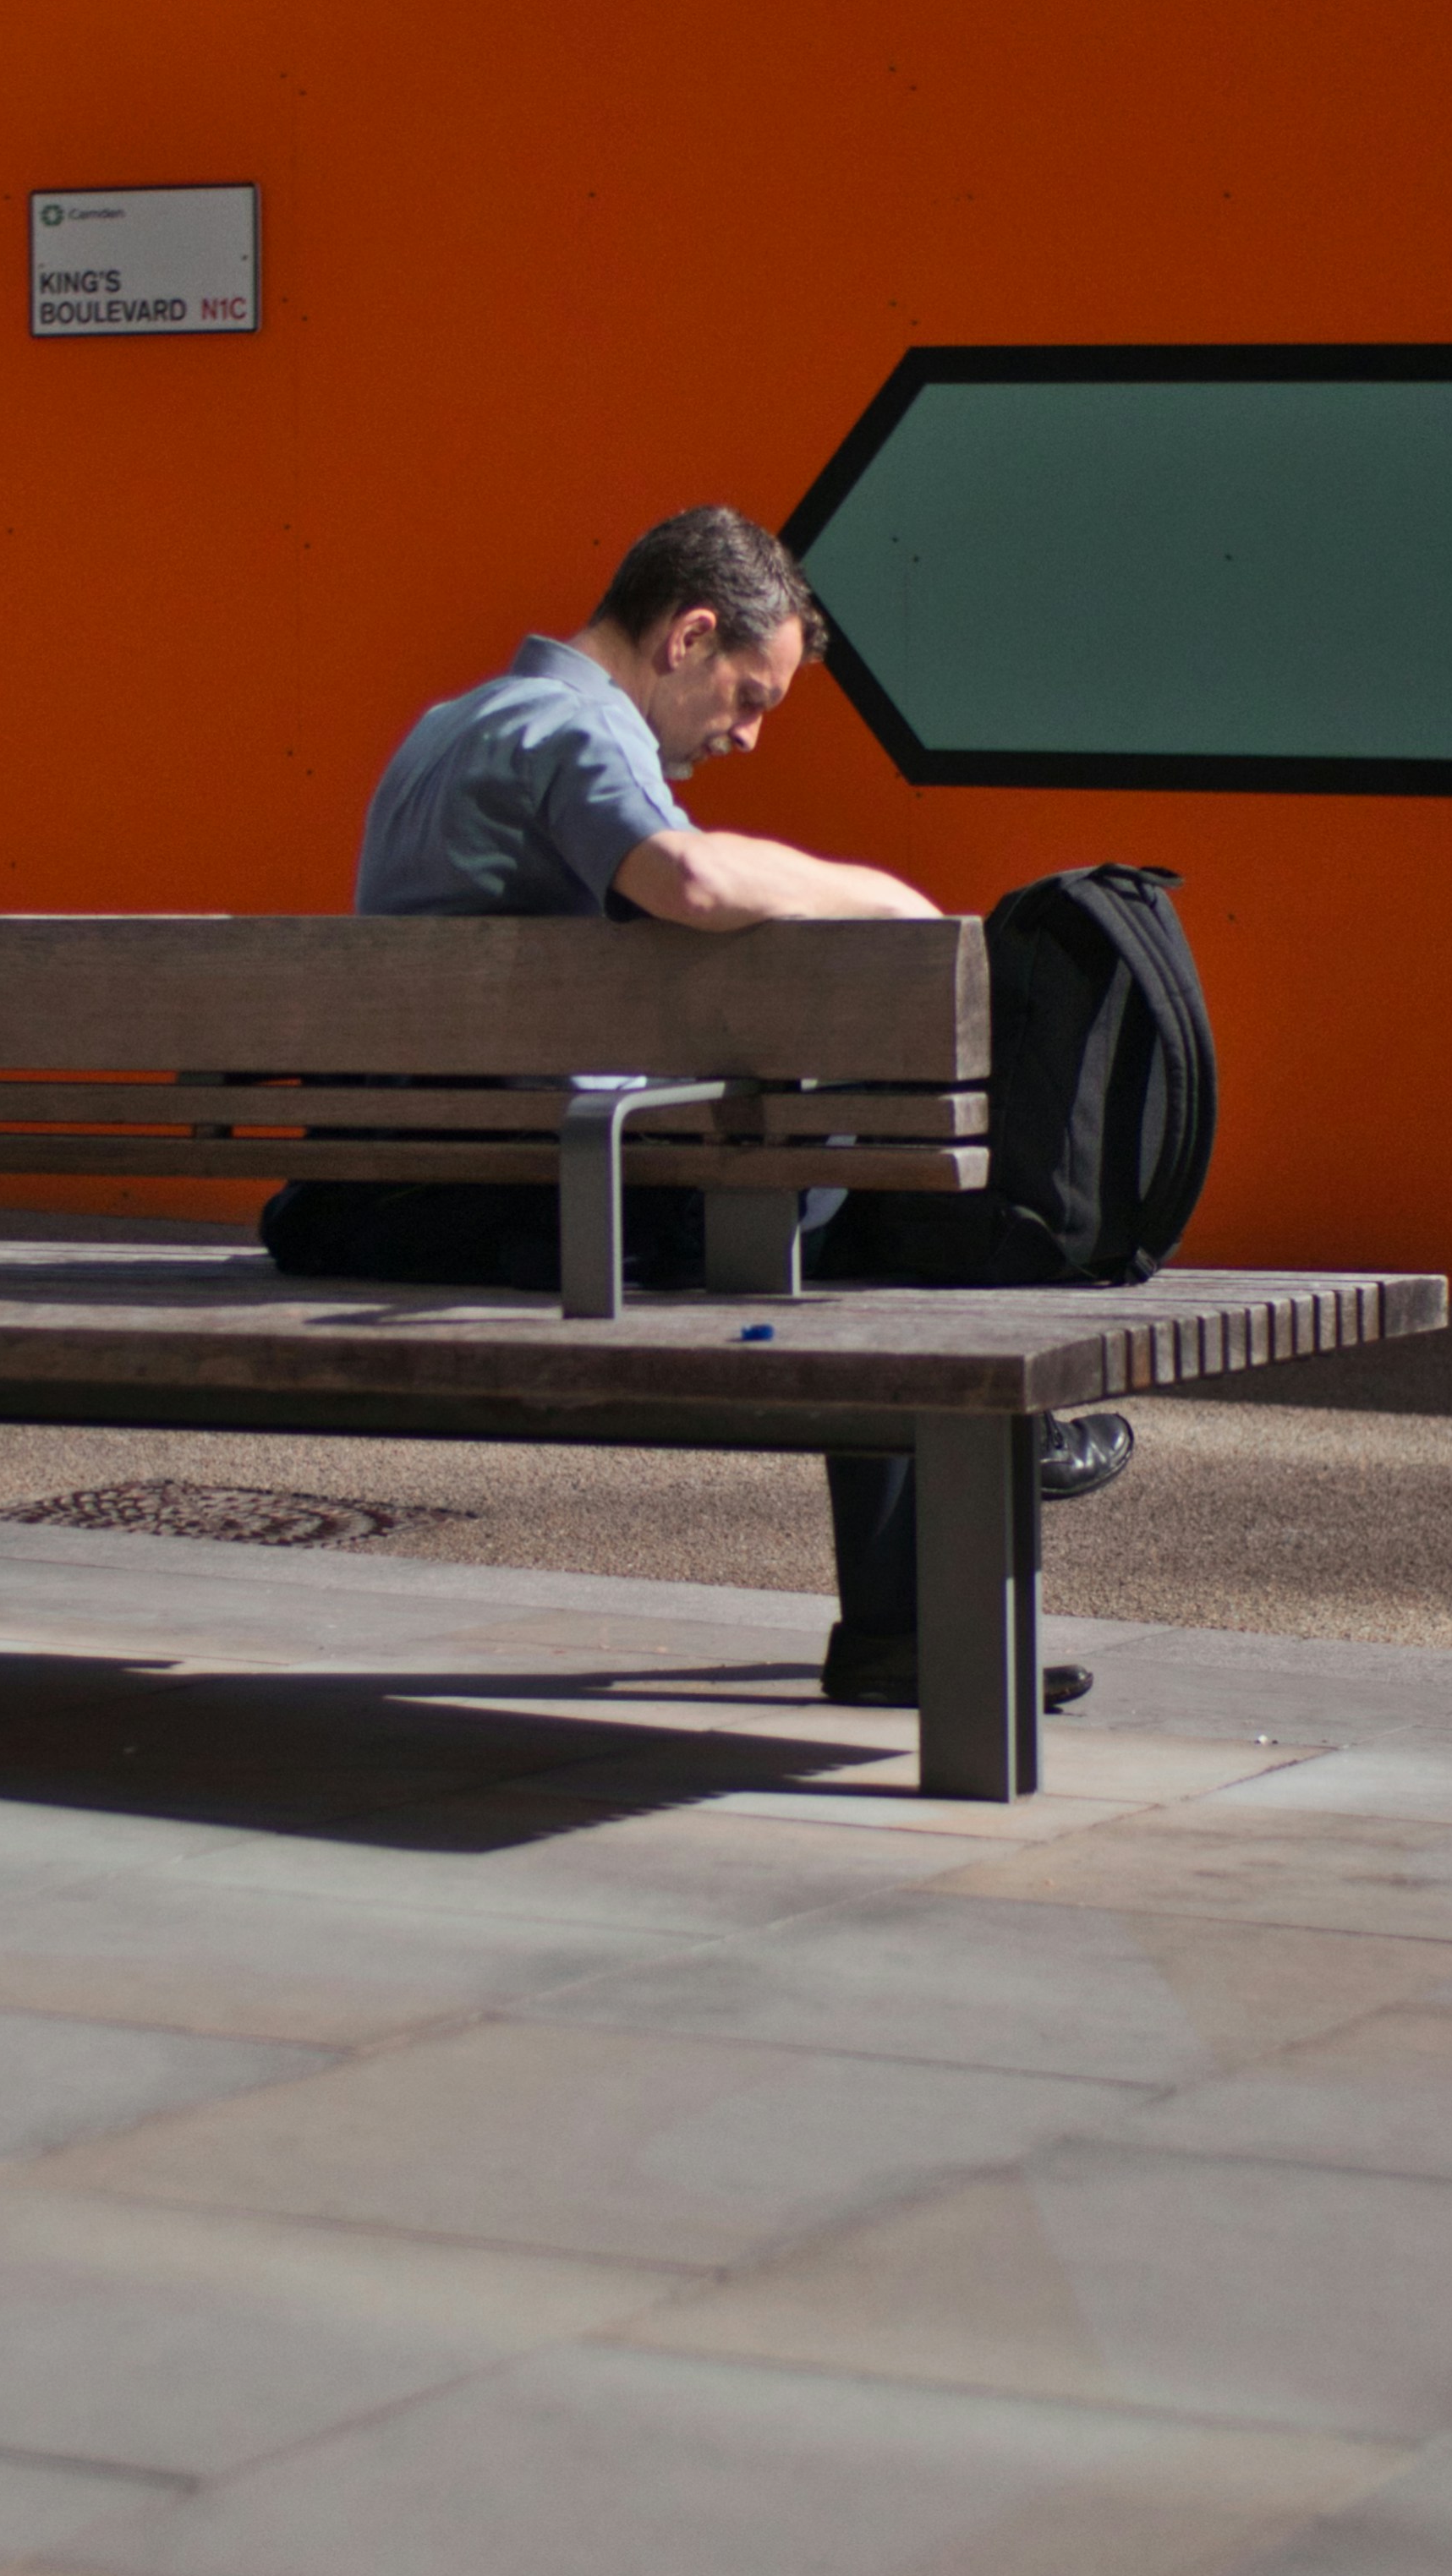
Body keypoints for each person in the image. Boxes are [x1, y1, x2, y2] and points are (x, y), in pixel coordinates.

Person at [261, 505, 1131, 1709]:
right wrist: (882, 896)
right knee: (867, 1209)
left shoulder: (446, 726)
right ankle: (966, 1510)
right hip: (522, 1196)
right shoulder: (578, 728)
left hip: (397, 1188)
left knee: (837, 1193)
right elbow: (693, 878)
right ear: (688, 635)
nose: (751, 736)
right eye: (750, 694)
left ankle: (942, 1558)